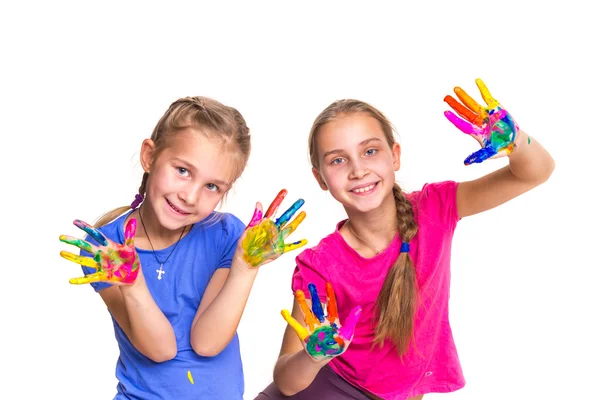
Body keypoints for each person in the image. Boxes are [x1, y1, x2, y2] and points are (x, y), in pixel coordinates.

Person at [256, 79, 555, 399]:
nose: (358, 170)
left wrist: (514, 140)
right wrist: (314, 356)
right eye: (338, 160)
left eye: (370, 151)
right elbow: (286, 381)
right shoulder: (322, 264)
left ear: (395, 156)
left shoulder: (436, 208)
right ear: (320, 178)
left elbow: (534, 172)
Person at [58, 96, 307, 399]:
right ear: (149, 156)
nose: (190, 196)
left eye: (212, 186)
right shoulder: (105, 251)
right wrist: (133, 284)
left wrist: (245, 267)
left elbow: (207, 342)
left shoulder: (227, 234)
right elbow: (159, 349)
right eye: (183, 171)